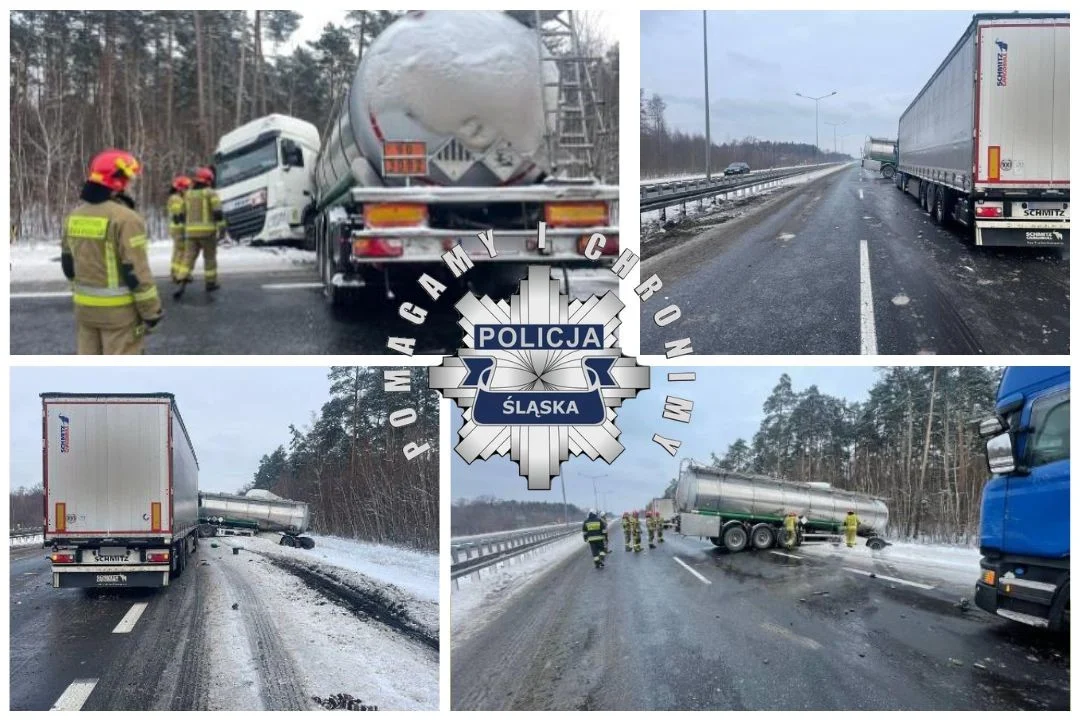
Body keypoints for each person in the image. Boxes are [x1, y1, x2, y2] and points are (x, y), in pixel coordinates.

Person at [61, 149, 162, 354]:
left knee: (91, 374)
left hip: (85, 313)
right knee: (122, 378)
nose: (129, 185)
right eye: (127, 179)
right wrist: (152, 313)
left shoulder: (74, 216)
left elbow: (68, 265)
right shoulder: (126, 218)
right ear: (117, 181)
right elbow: (136, 272)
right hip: (119, 317)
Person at [175, 166, 225, 295]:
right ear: (208, 180)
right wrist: (222, 228)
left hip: (191, 233)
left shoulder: (188, 194)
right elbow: (217, 212)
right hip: (208, 233)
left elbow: (180, 214)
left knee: (188, 258)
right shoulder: (210, 193)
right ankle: (210, 283)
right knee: (209, 258)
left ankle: (181, 280)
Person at [167, 175, 192, 282]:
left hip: (177, 228)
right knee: (181, 251)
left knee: (178, 250)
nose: (187, 190)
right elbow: (178, 214)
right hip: (179, 228)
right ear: (180, 188)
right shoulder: (176, 199)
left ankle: (175, 272)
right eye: (186, 188)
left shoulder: (177, 198)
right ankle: (178, 274)